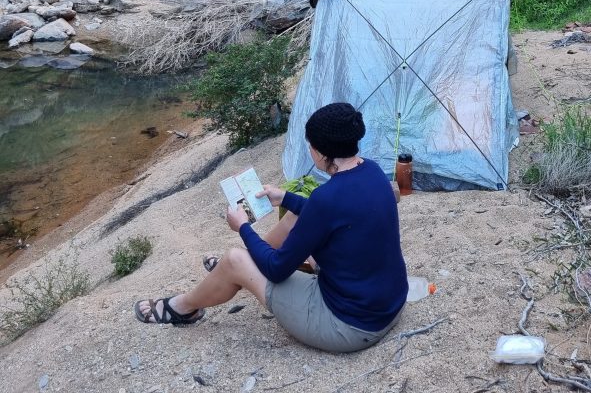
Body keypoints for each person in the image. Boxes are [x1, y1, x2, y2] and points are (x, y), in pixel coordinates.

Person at [135, 103, 409, 353]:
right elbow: (335, 212)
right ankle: (238, 268)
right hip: (389, 306)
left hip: (351, 327)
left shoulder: (326, 199)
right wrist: (285, 198)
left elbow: (278, 269)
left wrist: (243, 227)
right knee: (293, 218)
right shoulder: (372, 171)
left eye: (310, 146)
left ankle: (183, 308)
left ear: (321, 152)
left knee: (234, 259)